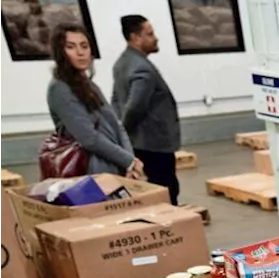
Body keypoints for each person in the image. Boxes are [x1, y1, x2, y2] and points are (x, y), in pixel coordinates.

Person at [46, 23, 143, 179]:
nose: (80, 52)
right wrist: (128, 160)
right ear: (60, 52)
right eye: (71, 47)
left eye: (84, 46)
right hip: (92, 170)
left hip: (115, 164)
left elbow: (116, 125)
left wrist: (130, 161)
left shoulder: (88, 85)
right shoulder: (59, 88)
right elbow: (89, 138)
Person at [112, 15, 181, 204]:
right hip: (154, 142)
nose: (156, 38)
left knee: (154, 186)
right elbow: (135, 106)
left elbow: (116, 100)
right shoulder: (142, 68)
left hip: (138, 141)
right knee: (167, 188)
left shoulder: (121, 63)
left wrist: (120, 131)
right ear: (135, 37)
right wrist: (123, 131)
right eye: (149, 34)